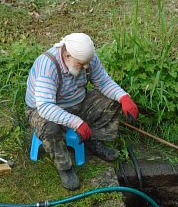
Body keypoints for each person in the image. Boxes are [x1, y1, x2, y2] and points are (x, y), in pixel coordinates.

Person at [25, 33, 139, 190]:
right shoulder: (48, 66)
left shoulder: (86, 59)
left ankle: (92, 139)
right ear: (67, 56)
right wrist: (76, 122)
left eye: (87, 63)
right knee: (50, 127)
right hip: (43, 111)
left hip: (78, 104)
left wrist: (124, 97)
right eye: (81, 64)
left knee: (114, 101)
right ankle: (65, 167)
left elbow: (104, 82)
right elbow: (45, 106)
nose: (86, 67)